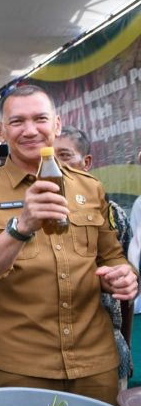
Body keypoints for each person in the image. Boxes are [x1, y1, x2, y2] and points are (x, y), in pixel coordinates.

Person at [0, 84, 137, 404]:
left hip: (95, 365)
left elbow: (112, 257)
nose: (30, 130)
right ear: (1, 131)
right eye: (17, 121)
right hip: (20, 366)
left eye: (40, 119)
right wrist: (21, 227)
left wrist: (122, 276)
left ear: (56, 124)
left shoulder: (90, 187)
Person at [54, 126, 134, 389]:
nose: (55, 165)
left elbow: (125, 288)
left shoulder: (112, 214)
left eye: (64, 156)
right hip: (49, 351)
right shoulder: (32, 213)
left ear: (86, 162)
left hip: (104, 344)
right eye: (49, 157)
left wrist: (124, 342)